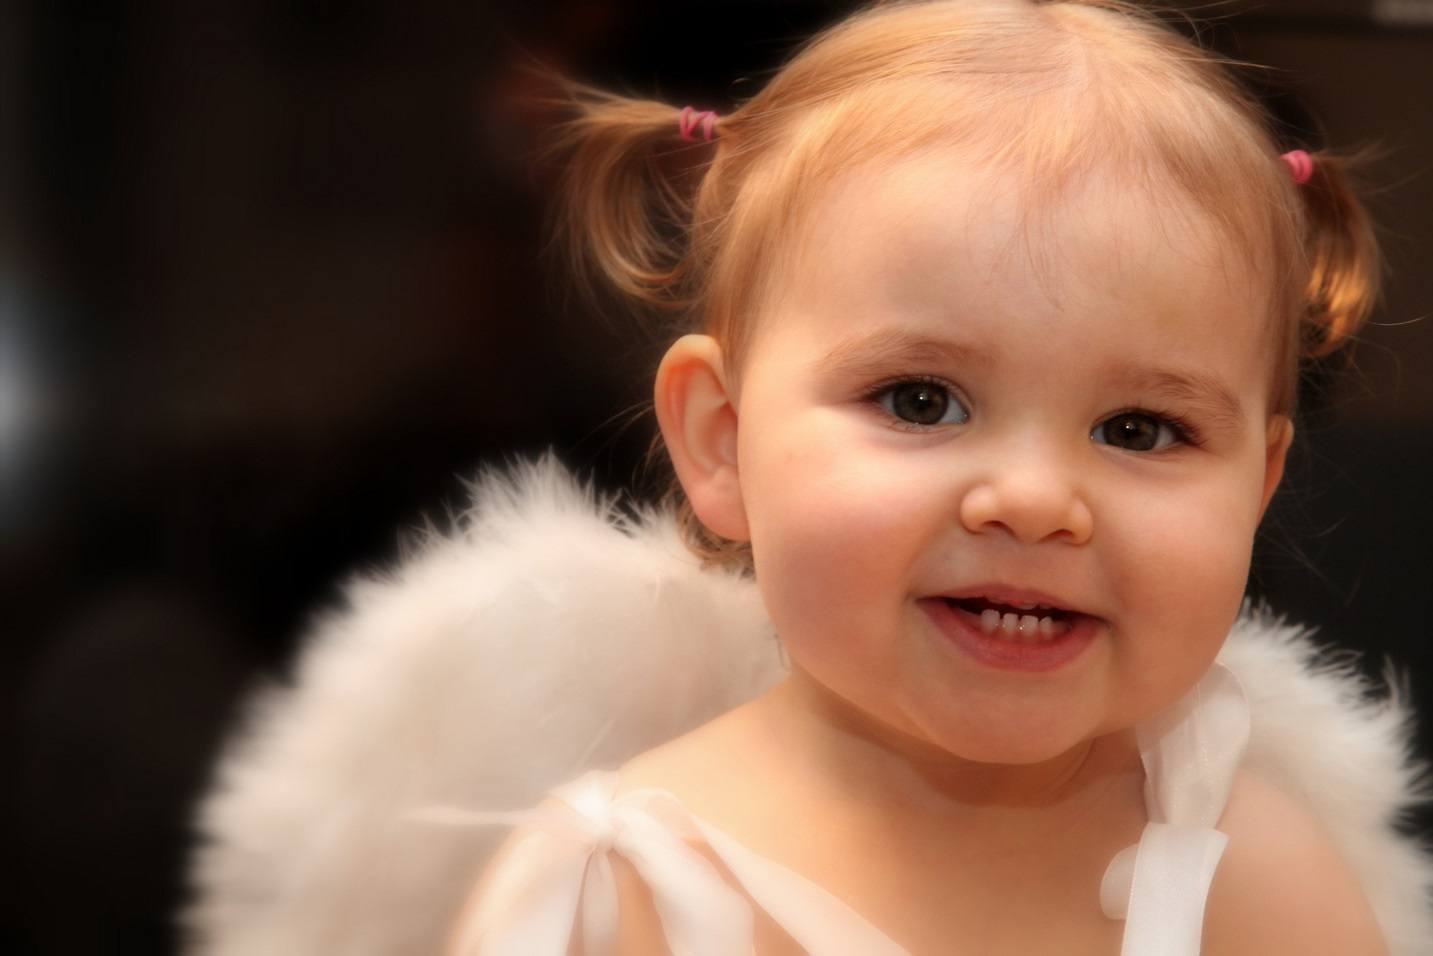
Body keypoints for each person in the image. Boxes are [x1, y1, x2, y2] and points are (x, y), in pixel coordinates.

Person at [182, 1, 1431, 954]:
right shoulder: (620, 893)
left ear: (1257, 483)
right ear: (721, 442)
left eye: (1140, 428)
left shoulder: (1257, 877)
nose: (1034, 499)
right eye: (920, 400)